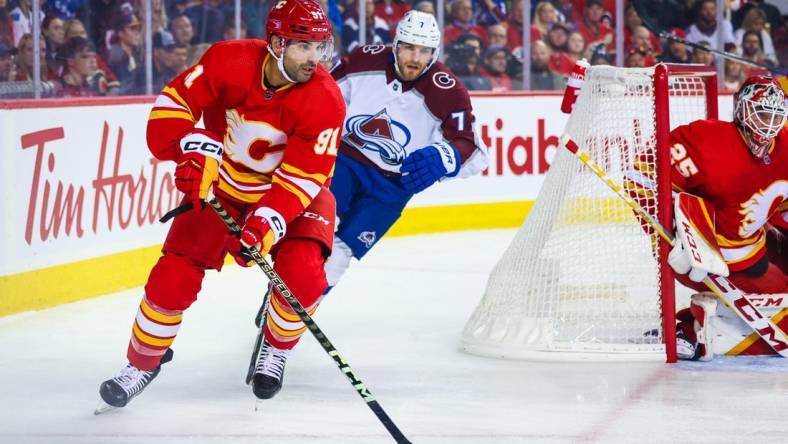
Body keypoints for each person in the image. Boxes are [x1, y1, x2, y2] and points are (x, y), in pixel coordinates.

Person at [96, 0, 345, 411]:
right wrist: (188, 149)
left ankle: (277, 346)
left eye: (321, 47)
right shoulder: (228, 60)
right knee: (171, 277)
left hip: (294, 194)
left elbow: (302, 179)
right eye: (304, 47)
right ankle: (142, 363)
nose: (314, 59)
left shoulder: (325, 99)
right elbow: (174, 104)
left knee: (303, 277)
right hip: (224, 189)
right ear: (277, 43)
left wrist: (264, 225)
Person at [324, 10, 487, 294]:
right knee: (317, 229)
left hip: (393, 185)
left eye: (424, 51)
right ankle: (285, 292)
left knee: (340, 253)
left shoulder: (449, 91)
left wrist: (445, 158)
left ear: (434, 53)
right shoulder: (364, 59)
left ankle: (294, 309)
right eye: (409, 47)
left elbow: (473, 149)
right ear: (396, 44)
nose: (415, 58)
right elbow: (323, 97)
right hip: (347, 162)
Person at [630, 75, 787, 361]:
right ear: (742, 110)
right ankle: (693, 330)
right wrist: (671, 235)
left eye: (776, 116)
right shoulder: (707, 141)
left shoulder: (786, 147)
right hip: (711, 262)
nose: (768, 126)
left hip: (755, 247)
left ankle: (703, 318)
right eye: (762, 114)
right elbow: (641, 176)